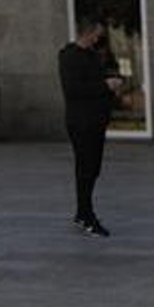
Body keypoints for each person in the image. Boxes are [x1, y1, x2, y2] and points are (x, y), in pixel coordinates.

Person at [58, 17, 123, 237]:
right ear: (87, 33)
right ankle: (87, 214)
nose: (99, 38)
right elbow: (74, 89)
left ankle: (82, 211)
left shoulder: (93, 55)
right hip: (81, 122)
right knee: (86, 168)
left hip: (96, 120)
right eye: (97, 33)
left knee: (93, 168)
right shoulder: (69, 56)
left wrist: (112, 84)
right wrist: (105, 85)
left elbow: (96, 80)